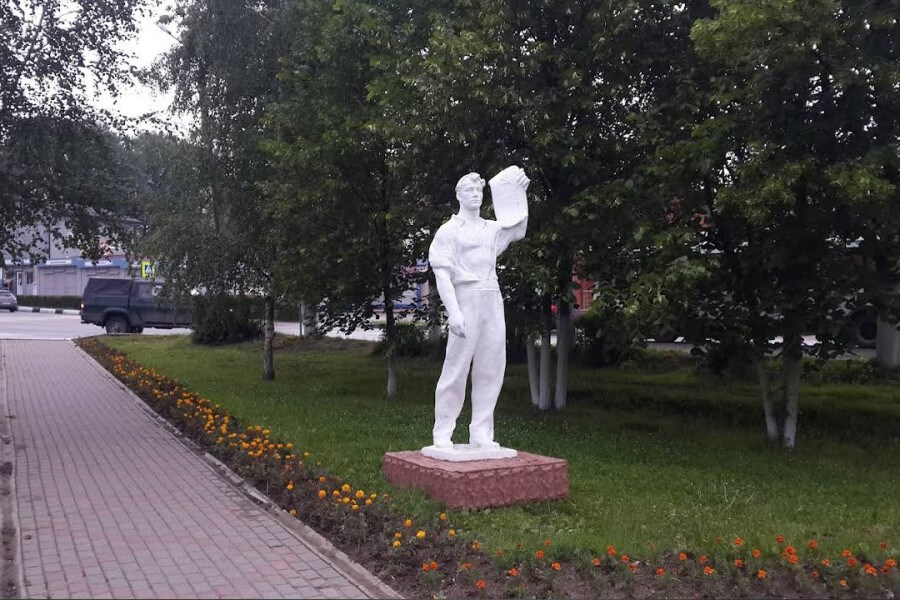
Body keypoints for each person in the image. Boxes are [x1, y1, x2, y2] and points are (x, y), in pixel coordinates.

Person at [427, 168, 529, 450]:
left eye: (478, 190)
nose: (475, 194)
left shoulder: (491, 229)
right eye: (469, 190)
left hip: (491, 298)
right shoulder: (449, 231)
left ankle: (481, 432)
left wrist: (518, 194)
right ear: (458, 195)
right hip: (466, 297)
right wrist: (454, 312)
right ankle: (443, 430)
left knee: (491, 367)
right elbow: (443, 276)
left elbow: (519, 229)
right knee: (456, 367)